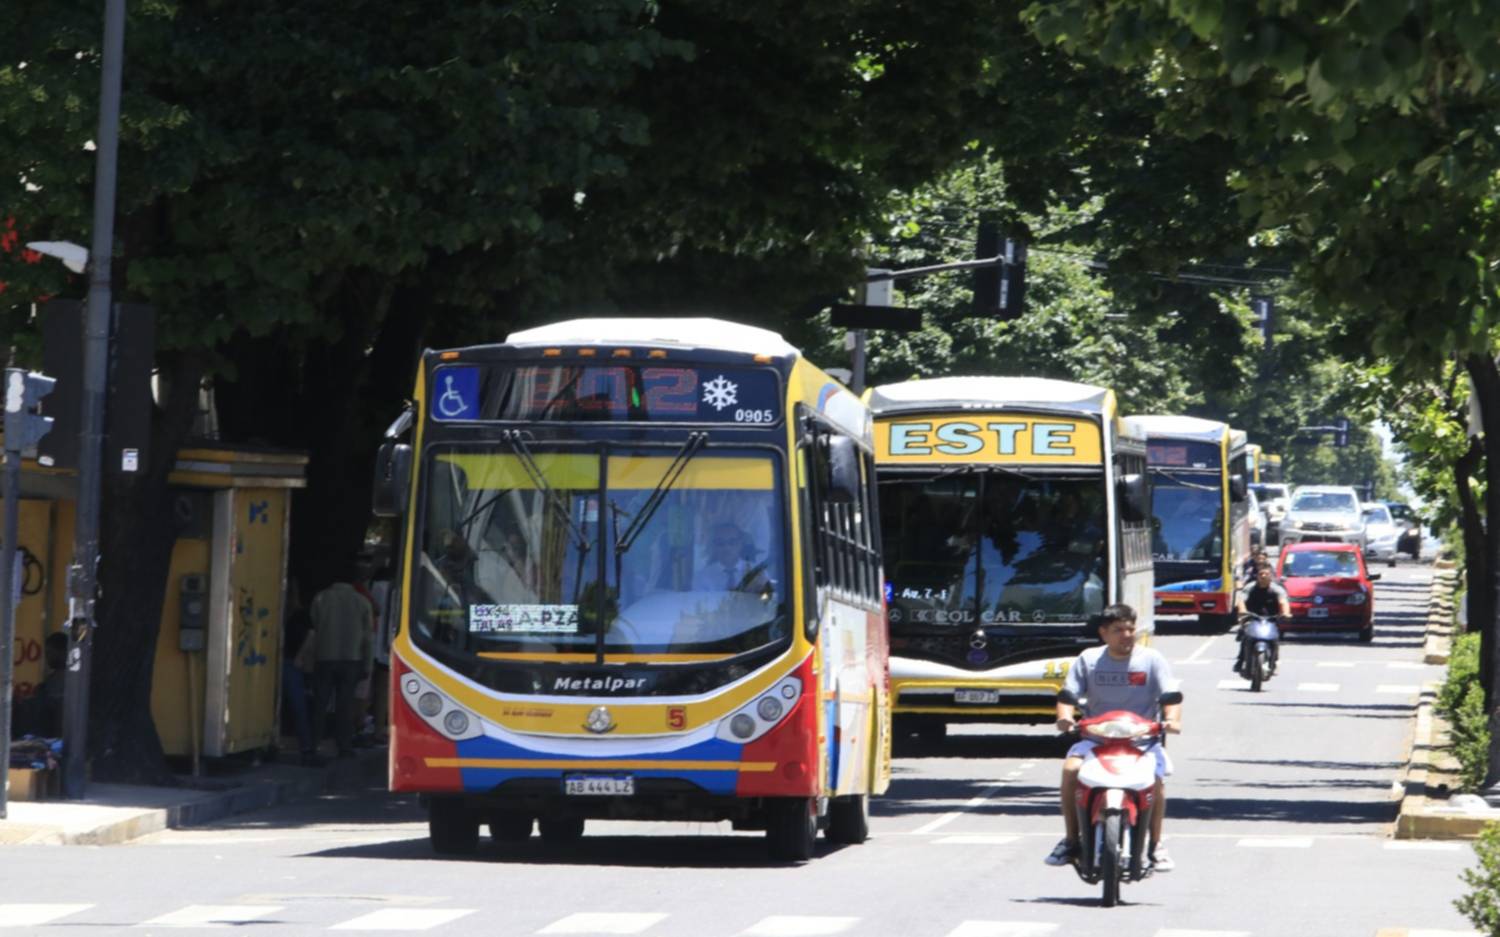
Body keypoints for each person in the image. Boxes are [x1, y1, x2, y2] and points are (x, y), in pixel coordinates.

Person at [1045, 604, 1182, 872]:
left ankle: (1155, 845)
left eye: (1131, 629)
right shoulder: (1088, 659)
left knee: (1156, 780)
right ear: (1104, 633)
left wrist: (1172, 719)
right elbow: (1066, 696)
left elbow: (1171, 695)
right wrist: (1064, 718)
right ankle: (1072, 840)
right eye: (1118, 630)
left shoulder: (1152, 660)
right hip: (1096, 740)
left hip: (1142, 742)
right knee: (1070, 769)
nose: (1126, 635)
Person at [310, 566, 374, 758]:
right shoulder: (362, 601)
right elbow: (368, 638)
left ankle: (313, 744)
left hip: (325, 657)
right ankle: (344, 745)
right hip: (352, 659)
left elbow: (314, 625)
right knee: (345, 705)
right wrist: (367, 665)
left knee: (320, 703)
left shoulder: (321, 598)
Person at [280, 580, 318, 765]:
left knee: (298, 705)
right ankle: (305, 747)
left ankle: (306, 747)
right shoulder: (294, 615)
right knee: (297, 705)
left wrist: (299, 658)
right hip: (288, 662)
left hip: (290, 662)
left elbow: (311, 636)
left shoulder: (298, 615)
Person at [1234, 564, 1290, 674]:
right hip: (1252, 618)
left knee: (1275, 639)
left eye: (1266, 574)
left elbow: (1283, 601)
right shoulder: (1250, 587)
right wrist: (1242, 611)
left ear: (1271, 576)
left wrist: (1286, 613)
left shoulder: (1277, 589)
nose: (1263, 576)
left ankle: (1274, 662)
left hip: (1270, 619)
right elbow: (1241, 600)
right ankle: (1240, 661)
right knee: (1245, 636)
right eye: (1261, 574)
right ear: (1257, 576)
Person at [14, 632, 68, 738]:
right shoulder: (52, 679)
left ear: (62, 652)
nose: (47, 656)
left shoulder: (66, 678)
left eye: (50, 652)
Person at [692, 522, 770, 592]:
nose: (727, 547)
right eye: (720, 543)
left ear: (740, 544)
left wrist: (759, 589)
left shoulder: (756, 573)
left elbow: (768, 600)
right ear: (714, 546)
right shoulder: (702, 577)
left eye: (732, 542)